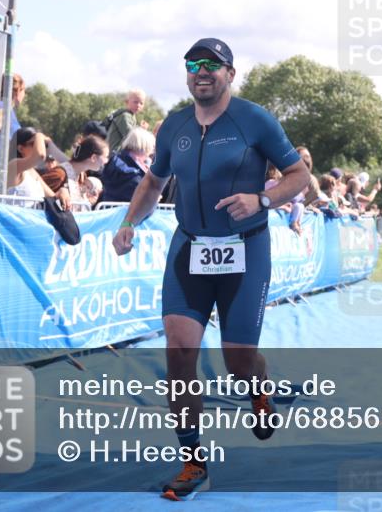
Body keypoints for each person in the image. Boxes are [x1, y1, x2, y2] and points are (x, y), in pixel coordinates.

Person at [112, 38, 309, 502]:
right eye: (193, 64)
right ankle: (193, 462)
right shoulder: (175, 125)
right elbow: (153, 181)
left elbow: (300, 177)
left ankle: (259, 390)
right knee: (180, 355)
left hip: (245, 250)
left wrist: (261, 199)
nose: (202, 71)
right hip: (190, 250)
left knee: (238, 362)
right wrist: (127, 223)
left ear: (230, 74)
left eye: (212, 65)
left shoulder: (254, 119)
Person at [99, 127, 156, 204]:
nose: (150, 152)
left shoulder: (116, 160)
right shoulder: (132, 173)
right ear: (144, 147)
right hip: (122, 213)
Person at [7, 128, 56, 205]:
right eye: (34, 143)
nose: (39, 146)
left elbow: (52, 197)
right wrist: (39, 135)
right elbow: (40, 156)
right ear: (20, 148)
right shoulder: (13, 165)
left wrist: (63, 191)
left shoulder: (31, 171)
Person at [106, 89, 147, 154]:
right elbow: (130, 135)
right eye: (135, 102)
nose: (138, 105)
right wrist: (141, 130)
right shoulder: (125, 116)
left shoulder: (131, 116)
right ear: (127, 102)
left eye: (141, 103)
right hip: (114, 153)